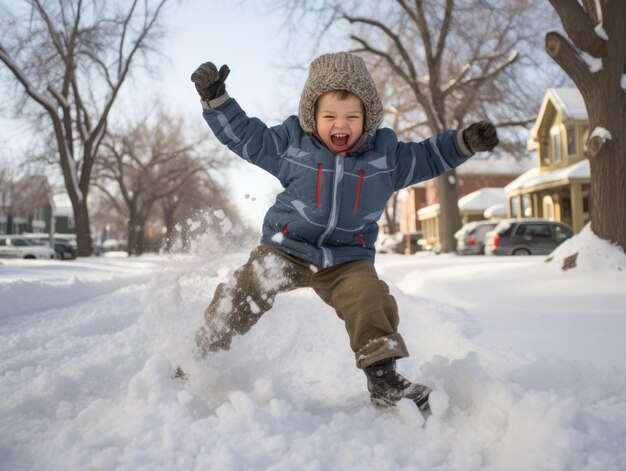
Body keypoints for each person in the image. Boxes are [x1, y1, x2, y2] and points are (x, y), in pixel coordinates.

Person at [190, 52, 498, 413]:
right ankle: (201, 354)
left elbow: (429, 156)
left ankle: (383, 378)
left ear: (367, 118)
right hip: (286, 247)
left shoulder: (387, 158)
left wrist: (464, 143)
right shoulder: (292, 145)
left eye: (352, 116)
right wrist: (216, 101)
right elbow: (247, 137)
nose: (342, 124)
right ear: (312, 117)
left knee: (369, 297)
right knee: (245, 288)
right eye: (330, 116)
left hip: (347, 258)